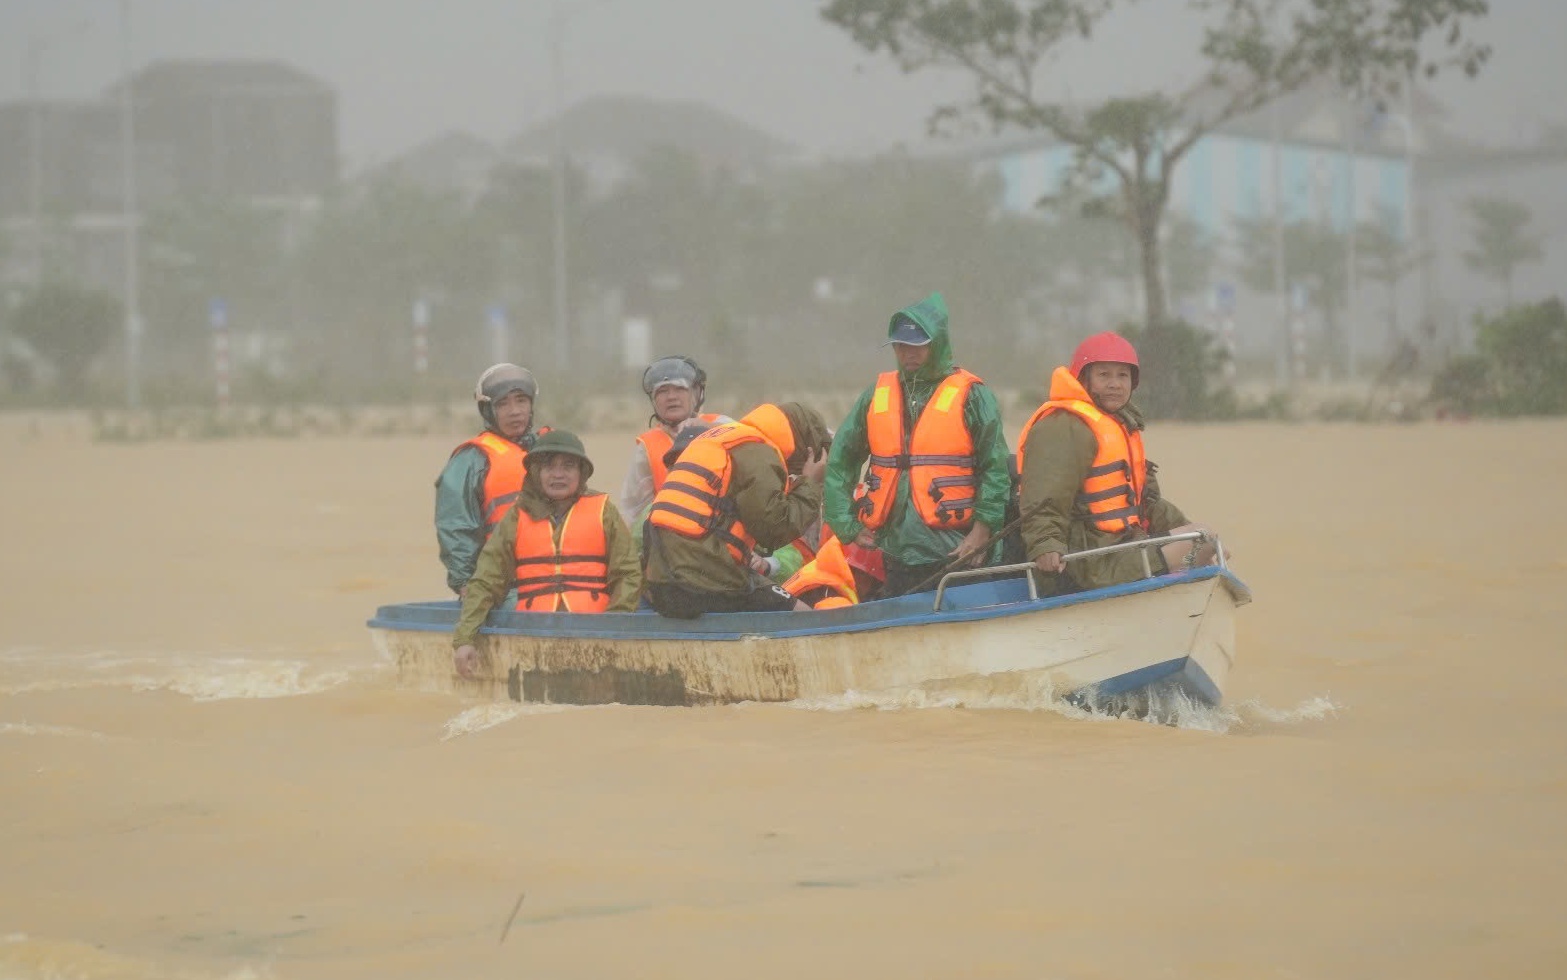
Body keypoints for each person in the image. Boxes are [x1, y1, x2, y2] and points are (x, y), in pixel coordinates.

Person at [824, 292, 1011, 597]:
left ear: (937, 343)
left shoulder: (974, 396)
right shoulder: (876, 394)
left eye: (917, 345)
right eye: (900, 345)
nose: (907, 353)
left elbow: (996, 469)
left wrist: (982, 531)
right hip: (896, 554)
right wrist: (847, 525)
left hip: (958, 551)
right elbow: (841, 460)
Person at [1016, 332, 1222, 592]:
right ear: (1084, 378)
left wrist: (1189, 529)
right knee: (1203, 542)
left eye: (1122, 376)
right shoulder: (1064, 426)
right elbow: (1043, 497)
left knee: (1204, 538)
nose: (1114, 384)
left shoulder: (1120, 424)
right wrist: (1045, 544)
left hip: (1121, 546)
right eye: (1104, 375)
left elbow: (1146, 503)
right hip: (1088, 561)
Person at [452, 430, 640, 678]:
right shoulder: (516, 517)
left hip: (595, 637)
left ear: (581, 473)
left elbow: (628, 574)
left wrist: (613, 629)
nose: (558, 474)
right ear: (536, 472)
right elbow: (486, 581)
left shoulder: (604, 511)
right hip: (532, 637)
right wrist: (465, 639)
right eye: (549, 467)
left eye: (568, 466)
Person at [643, 402, 832, 617]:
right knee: (803, 614)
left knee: (763, 590)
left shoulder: (724, 439)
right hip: (702, 581)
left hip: (662, 581)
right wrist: (810, 483)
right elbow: (774, 529)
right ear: (807, 449)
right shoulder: (759, 453)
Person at [434, 363, 541, 596]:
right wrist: (467, 586)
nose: (515, 411)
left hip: (553, 586)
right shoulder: (471, 460)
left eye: (521, 400)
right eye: (502, 404)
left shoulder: (551, 451)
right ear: (487, 410)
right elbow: (456, 528)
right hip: (503, 591)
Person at [619, 356, 728, 535]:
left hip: (725, 536)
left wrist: (708, 428)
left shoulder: (722, 425)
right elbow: (633, 514)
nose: (671, 397)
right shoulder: (647, 447)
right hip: (673, 540)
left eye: (680, 389)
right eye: (662, 391)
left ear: (696, 394)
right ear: (654, 400)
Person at [781, 529, 886, 610]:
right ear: (862, 575)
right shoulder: (834, 600)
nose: (872, 589)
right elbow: (833, 630)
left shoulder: (825, 567)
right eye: (874, 582)